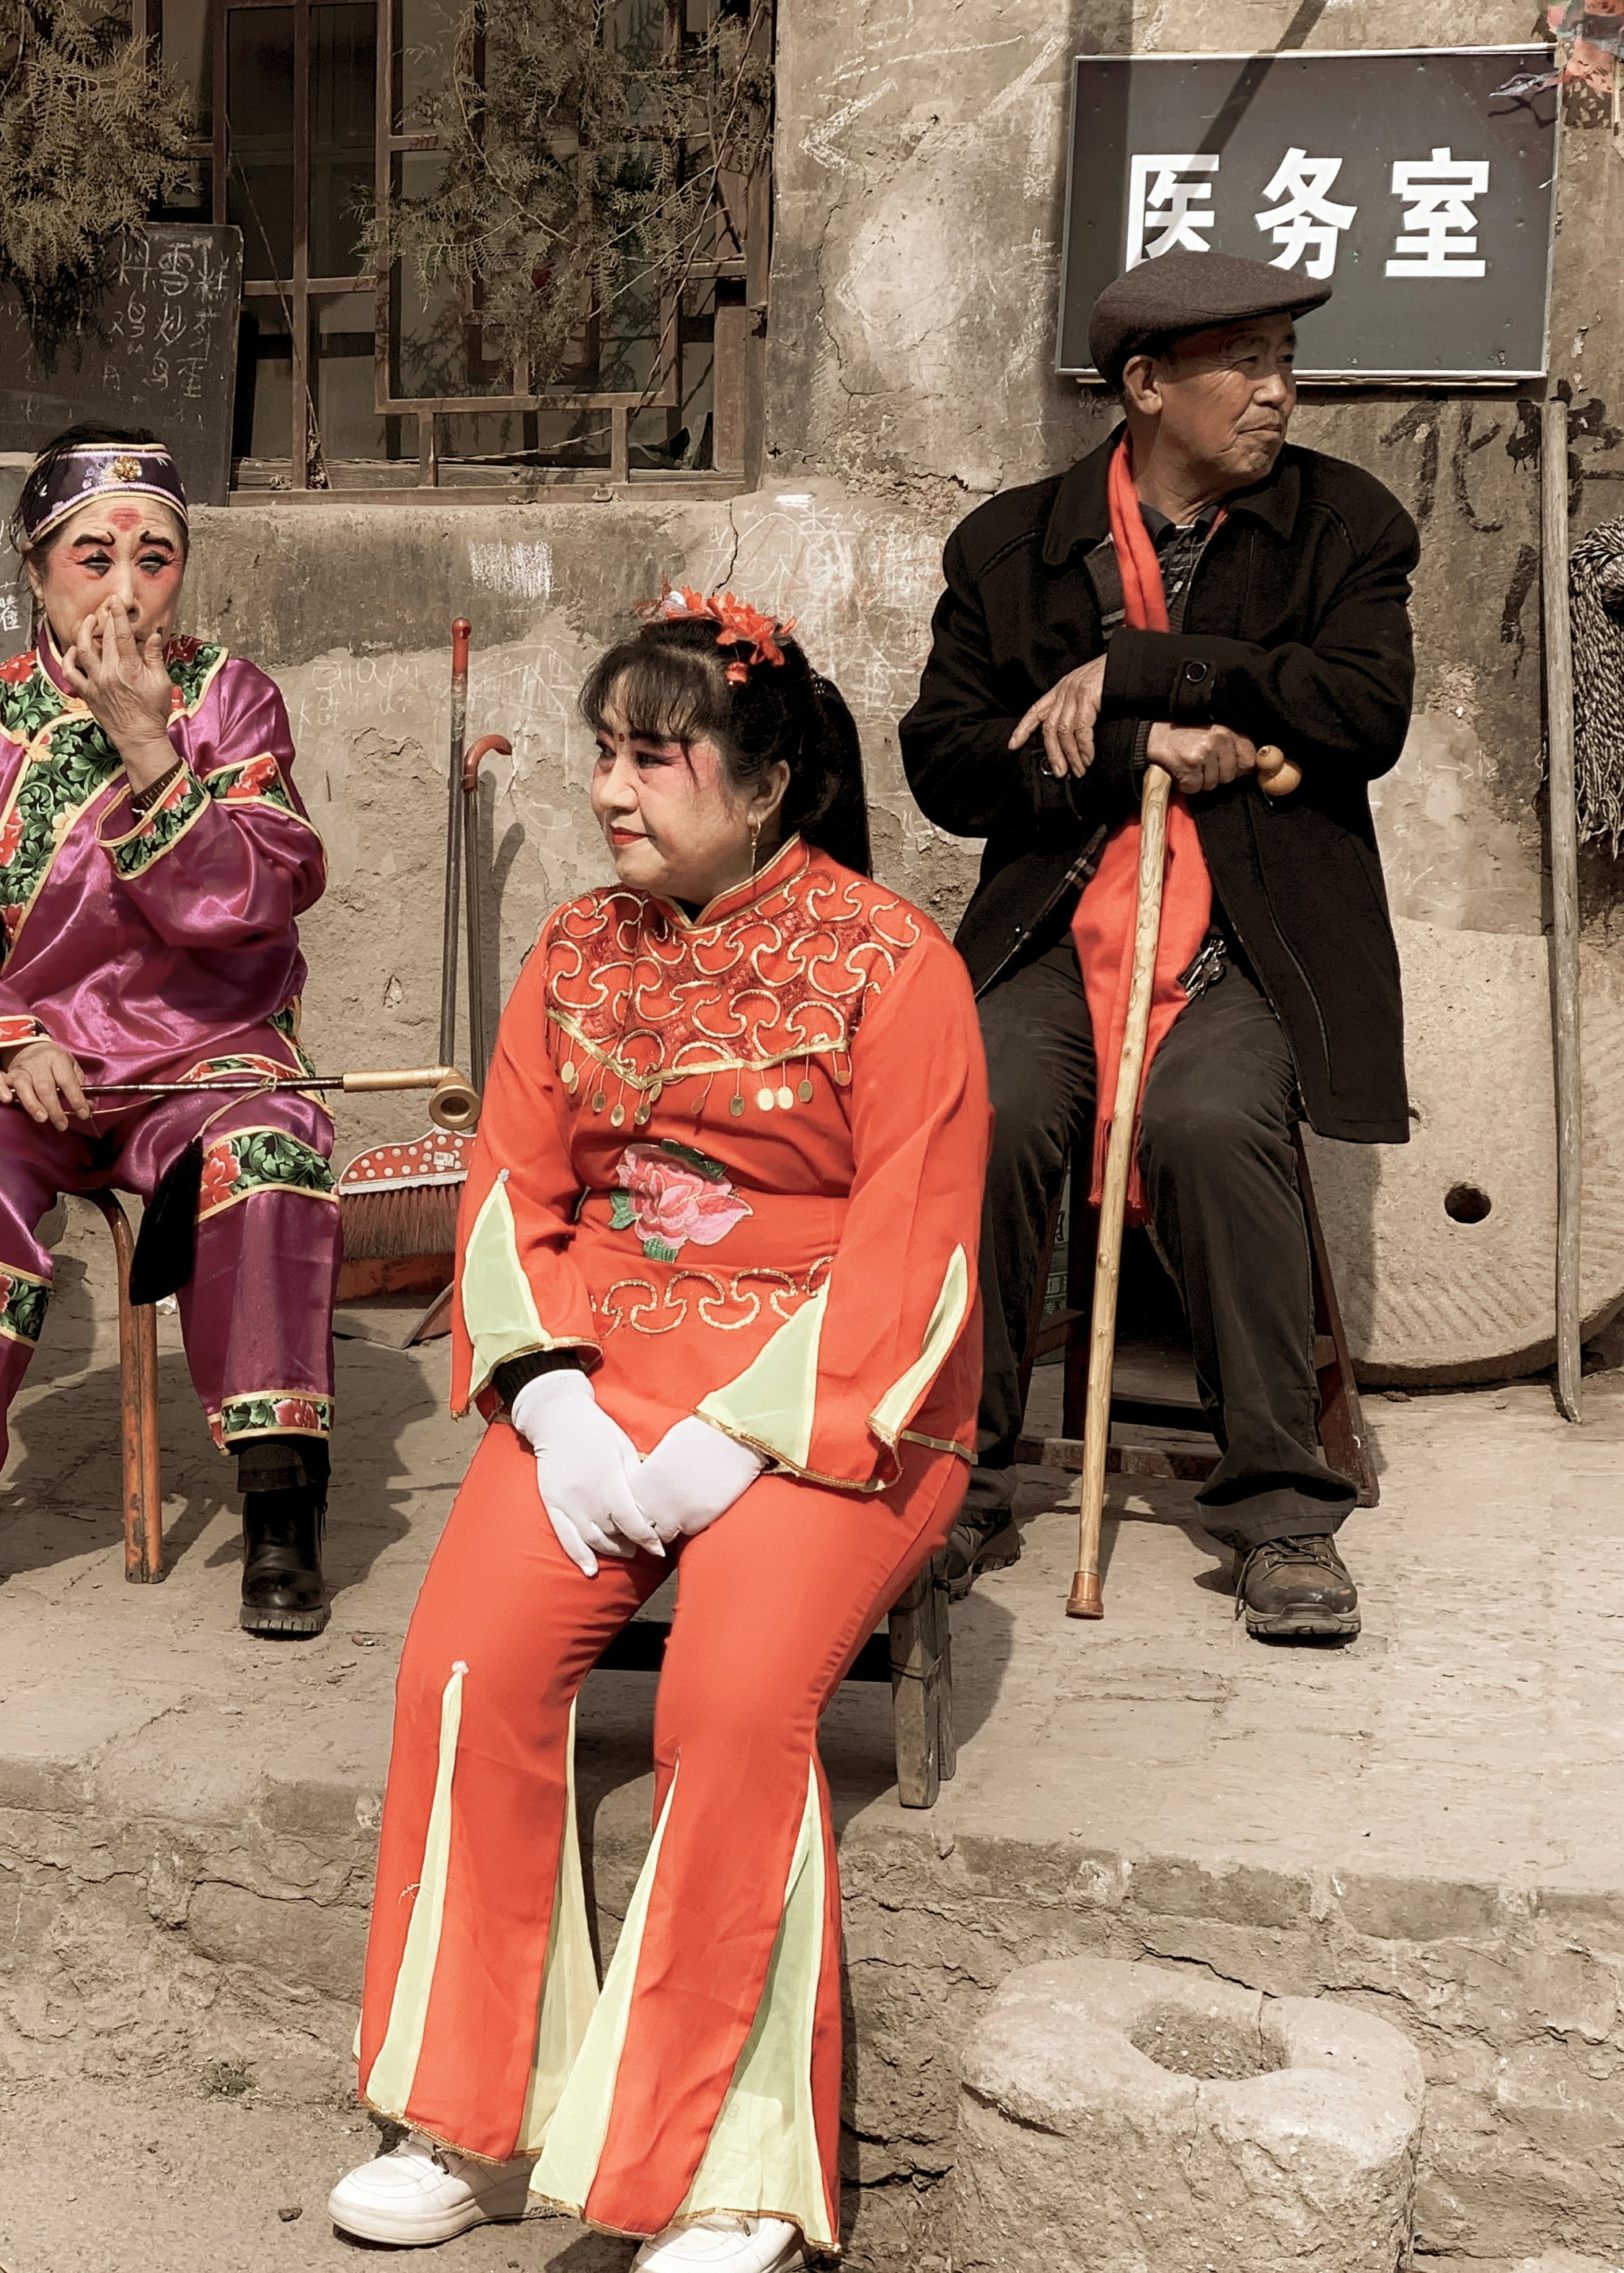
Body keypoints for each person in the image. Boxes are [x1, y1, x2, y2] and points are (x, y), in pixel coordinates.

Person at [330, 595, 986, 2271]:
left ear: (766, 786)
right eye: (603, 755)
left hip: (844, 1393)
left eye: (654, 756)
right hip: (597, 1372)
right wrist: (548, 1403)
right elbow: (510, 1187)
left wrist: (734, 1444)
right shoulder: (572, 948)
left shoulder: (893, 965)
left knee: (731, 1702)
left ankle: (732, 2173)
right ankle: (471, 2115)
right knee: (460, 1672)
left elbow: (918, 1247)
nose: (615, 791)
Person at [900, 249, 1416, 1642]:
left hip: (1250, 931)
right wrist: (1139, 747)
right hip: (1063, 924)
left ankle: (1280, 1511)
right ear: (1145, 387)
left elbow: (1364, 712)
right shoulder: (1012, 546)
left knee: (1205, 1121)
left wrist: (1142, 669)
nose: (1275, 392)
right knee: (986, 1108)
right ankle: (961, 1473)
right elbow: (946, 763)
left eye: (1285, 363)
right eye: (1243, 364)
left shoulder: (1345, 525)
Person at [0, 426, 338, 1628]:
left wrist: (146, 742)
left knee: (268, 1155)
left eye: (156, 560)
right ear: (33, 568)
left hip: (203, 1055)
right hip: (31, 1068)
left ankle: (281, 1509)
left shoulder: (230, 699)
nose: (126, 592)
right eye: (92, 558)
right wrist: (6, 1040)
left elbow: (254, 897)